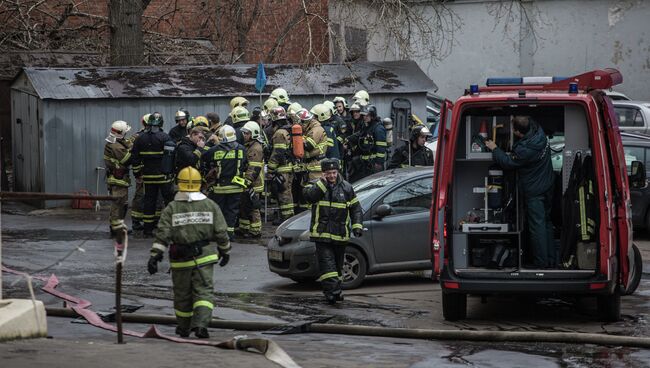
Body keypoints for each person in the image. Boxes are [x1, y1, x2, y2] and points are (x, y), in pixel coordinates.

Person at [147, 166, 230, 339]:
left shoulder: (172, 208)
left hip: (181, 260)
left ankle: (184, 328)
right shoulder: (210, 205)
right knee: (204, 292)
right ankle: (201, 326)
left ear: (179, 184)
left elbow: (163, 235)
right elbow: (221, 231)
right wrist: (225, 251)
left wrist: (155, 256)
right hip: (205, 257)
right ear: (200, 183)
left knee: (182, 295)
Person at [484, 115, 555, 269]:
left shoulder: (525, 150)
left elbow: (509, 163)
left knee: (537, 227)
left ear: (518, 133)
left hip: (535, 191)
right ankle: (551, 260)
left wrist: (495, 148)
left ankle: (541, 263)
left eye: (513, 130)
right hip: (548, 184)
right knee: (546, 223)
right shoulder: (538, 131)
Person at [302, 158, 363, 304]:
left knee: (337, 267)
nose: (332, 176)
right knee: (328, 265)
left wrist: (357, 226)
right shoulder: (316, 186)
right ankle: (335, 293)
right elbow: (310, 197)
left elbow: (356, 209)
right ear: (323, 173)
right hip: (322, 235)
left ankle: (332, 292)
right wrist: (322, 184)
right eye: (328, 173)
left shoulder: (347, 188)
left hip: (340, 235)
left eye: (334, 173)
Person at [128, 112, 175, 237]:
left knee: (149, 201)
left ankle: (147, 230)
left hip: (148, 177)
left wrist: (137, 173)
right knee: (169, 201)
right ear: (161, 123)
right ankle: (172, 227)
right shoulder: (165, 137)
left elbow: (135, 158)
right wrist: (171, 172)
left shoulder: (140, 139)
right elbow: (171, 157)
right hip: (163, 176)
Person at [201, 125, 247, 241]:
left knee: (218, 211)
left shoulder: (215, 149)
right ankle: (230, 235)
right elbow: (245, 164)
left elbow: (204, 157)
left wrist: (209, 143)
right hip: (236, 186)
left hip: (220, 187)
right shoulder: (241, 148)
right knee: (232, 211)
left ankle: (218, 234)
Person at [103, 120, 132, 239]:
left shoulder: (116, 142)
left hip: (119, 179)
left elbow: (126, 144)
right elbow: (127, 160)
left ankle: (118, 226)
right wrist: (134, 151)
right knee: (118, 205)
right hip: (117, 180)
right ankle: (115, 229)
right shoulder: (116, 146)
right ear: (121, 133)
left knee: (122, 204)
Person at [266, 106, 295, 225]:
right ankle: (287, 217)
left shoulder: (279, 133)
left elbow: (278, 152)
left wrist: (271, 168)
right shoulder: (288, 129)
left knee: (284, 193)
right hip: (289, 166)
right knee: (287, 191)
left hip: (282, 168)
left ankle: (287, 219)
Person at [237, 121, 265, 238]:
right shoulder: (250, 145)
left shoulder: (255, 148)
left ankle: (255, 230)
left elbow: (253, 168)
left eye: (247, 133)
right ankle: (244, 228)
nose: (244, 135)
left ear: (253, 134)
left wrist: (247, 181)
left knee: (253, 206)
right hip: (248, 182)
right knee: (245, 205)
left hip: (254, 183)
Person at [356, 105, 387, 179]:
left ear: (372, 116)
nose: (364, 117)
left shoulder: (378, 129)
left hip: (374, 164)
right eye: (363, 115)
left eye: (367, 116)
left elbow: (381, 148)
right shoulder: (367, 127)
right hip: (366, 164)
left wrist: (379, 163)